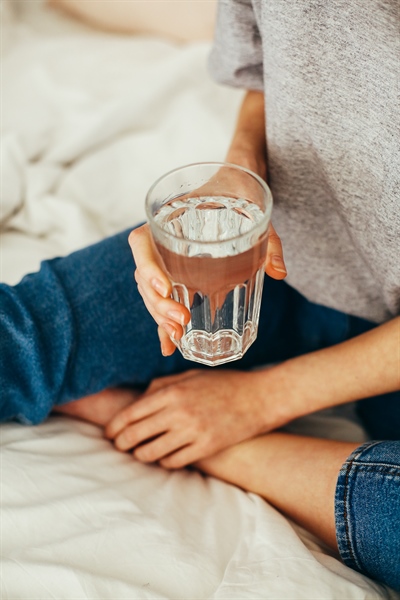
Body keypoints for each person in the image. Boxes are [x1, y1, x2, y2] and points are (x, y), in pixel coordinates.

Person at [1, 0, 399, 591]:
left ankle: (200, 444)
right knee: (20, 338)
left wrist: (252, 406)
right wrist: (240, 171)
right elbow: (269, 75)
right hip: (278, 255)